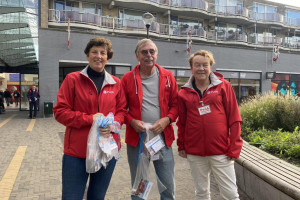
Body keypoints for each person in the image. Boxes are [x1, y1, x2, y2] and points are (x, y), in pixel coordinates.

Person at [53, 37, 127, 200]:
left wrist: (114, 125)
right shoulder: (72, 79)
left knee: (97, 197)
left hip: (106, 150)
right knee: (71, 197)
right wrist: (89, 119)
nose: (98, 56)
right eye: (94, 52)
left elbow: (122, 112)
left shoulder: (116, 83)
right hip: (77, 152)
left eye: (103, 53)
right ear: (87, 55)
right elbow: (60, 111)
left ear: (108, 57)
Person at [176, 50, 243, 200]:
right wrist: (181, 145)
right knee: (201, 193)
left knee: (231, 194)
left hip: (221, 151)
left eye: (205, 65)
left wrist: (234, 147)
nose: (201, 68)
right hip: (195, 152)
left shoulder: (224, 87)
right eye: (197, 65)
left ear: (211, 67)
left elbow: (235, 119)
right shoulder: (184, 93)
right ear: (191, 68)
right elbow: (182, 122)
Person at [121, 38, 178, 200]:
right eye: (144, 52)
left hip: (162, 139)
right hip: (137, 140)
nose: (149, 55)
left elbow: (176, 106)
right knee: (140, 186)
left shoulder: (168, 77)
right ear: (137, 55)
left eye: (152, 51)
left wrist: (167, 119)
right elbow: (120, 108)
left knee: (168, 185)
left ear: (157, 55)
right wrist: (131, 121)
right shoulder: (127, 79)